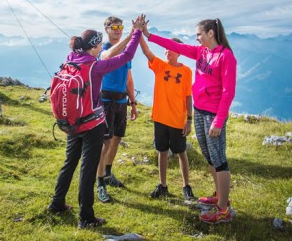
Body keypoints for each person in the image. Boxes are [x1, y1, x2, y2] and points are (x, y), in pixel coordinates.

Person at [48, 15, 146, 229]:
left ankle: (57, 203)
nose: (102, 47)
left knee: (69, 163)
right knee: (87, 168)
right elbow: (128, 53)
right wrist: (136, 31)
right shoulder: (96, 67)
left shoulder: (71, 59)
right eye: (100, 44)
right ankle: (86, 217)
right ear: (94, 47)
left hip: (72, 122)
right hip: (91, 124)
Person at [143, 18, 237, 224]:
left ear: (211, 33)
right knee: (209, 155)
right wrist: (149, 35)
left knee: (219, 159)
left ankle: (223, 209)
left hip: (213, 115)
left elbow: (228, 92)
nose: (196, 38)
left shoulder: (225, 56)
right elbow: (174, 46)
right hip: (200, 111)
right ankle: (219, 196)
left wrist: (219, 121)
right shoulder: (201, 52)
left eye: (199, 34)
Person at [139, 35, 195, 200]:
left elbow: (188, 96)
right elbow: (147, 51)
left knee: (181, 153)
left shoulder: (186, 71)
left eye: (171, 48)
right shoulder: (160, 66)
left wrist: (189, 120)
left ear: (179, 52)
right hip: (160, 118)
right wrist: (139, 33)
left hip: (178, 119)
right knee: (161, 151)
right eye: (166, 48)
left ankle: (186, 186)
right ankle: (162, 185)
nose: (167, 50)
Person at [96, 16, 139, 203]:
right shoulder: (104, 49)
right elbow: (107, 56)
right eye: (114, 27)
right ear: (106, 29)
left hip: (121, 101)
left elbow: (129, 78)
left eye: (120, 27)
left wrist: (133, 102)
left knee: (116, 139)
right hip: (105, 100)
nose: (118, 30)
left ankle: (108, 173)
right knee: (104, 142)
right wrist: (130, 35)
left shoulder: (125, 52)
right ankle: (100, 183)